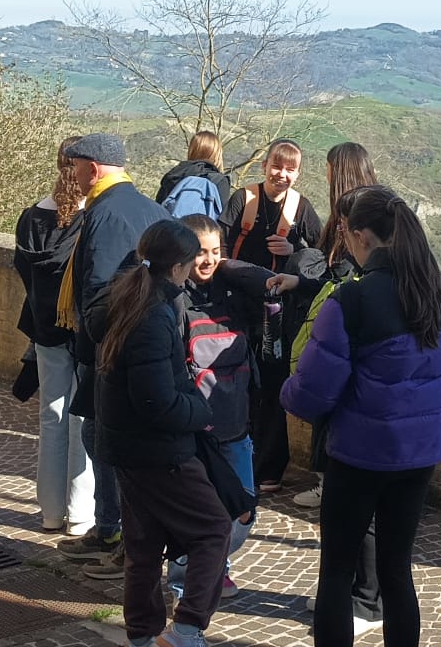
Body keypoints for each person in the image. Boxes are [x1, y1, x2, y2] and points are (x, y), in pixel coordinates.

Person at [280, 186, 441, 647]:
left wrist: (284, 390)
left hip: (358, 453)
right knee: (397, 569)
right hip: (421, 453)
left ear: (360, 237)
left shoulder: (351, 301)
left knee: (337, 570)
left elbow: (312, 394)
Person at [94, 219, 227, 647]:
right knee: (213, 529)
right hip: (158, 451)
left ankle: (142, 634)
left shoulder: (125, 297)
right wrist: (200, 410)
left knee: (144, 546)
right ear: (178, 267)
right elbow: (155, 401)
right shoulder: (152, 315)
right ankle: (186, 629)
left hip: (126, 446)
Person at [55, 133, 171, 579]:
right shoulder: (150, 208)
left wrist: (93, 344)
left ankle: (117, 533)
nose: (73, 174)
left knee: (105, 439)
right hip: (140, 340)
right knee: (101, 435)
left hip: (113, 348)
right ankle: (110, 528)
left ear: (93, 168)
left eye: (76, 166)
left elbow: (99, 291)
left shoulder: (104, 212)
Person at [166, 214, 274, 599]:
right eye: (200, 252)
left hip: (235, 426)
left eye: (216, 252)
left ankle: (214, 564)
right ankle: (187, 581)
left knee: (243, 509)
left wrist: (229, 265)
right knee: (196, 512)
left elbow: (269, 280)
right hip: (195, 433)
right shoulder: (172, 299)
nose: (209, 261)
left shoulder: (232, 291)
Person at [219, 138, 323, 493]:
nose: (282, 174)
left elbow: (322, 253)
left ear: (298, 173)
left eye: (290, 169)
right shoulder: (243, 199)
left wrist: (294, 249)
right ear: (265, 166)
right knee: (239, 381)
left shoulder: (301, 208)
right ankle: (235, 459)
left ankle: (268, 469)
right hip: (237, 305)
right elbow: (219, 240)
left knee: (272, 386)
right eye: (277, 166)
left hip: (276, 313)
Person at [286, 142, 379, 509]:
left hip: (345, 320)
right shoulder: (379, 206)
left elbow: (338, 272)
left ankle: (330, 486)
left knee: (329, 399)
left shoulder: (351, 215)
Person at [14, 136, 94, 535]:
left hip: (44, 328)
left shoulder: (30, 217)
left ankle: (49, 510)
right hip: (80, 329)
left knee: (52, 416)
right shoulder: (91, 218)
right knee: (80, 418)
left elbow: (21, 269)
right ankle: (80, 512)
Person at [155, 130, 233, 219]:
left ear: (192, 150)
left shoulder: (174, 175)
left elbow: (158, 208)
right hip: (203, 227)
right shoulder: (220, 181)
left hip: (170, 226)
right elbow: (221, 218)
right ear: (217, 154)